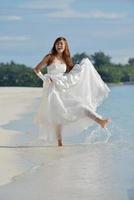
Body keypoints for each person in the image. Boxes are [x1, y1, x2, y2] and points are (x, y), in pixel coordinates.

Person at [33, 37, 111, 147]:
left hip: (63, 86)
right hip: (52, 89)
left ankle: (100, 121)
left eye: (62, 44)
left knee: (80, 105)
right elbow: (36, 69)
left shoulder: (66, 59)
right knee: (57, 115)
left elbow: (73, 72)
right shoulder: (49, 57)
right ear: (55, 45)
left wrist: (84, 67)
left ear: (65, 47)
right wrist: (45, 79)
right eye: (58, 44)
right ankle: (60, 142)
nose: (59, 46)